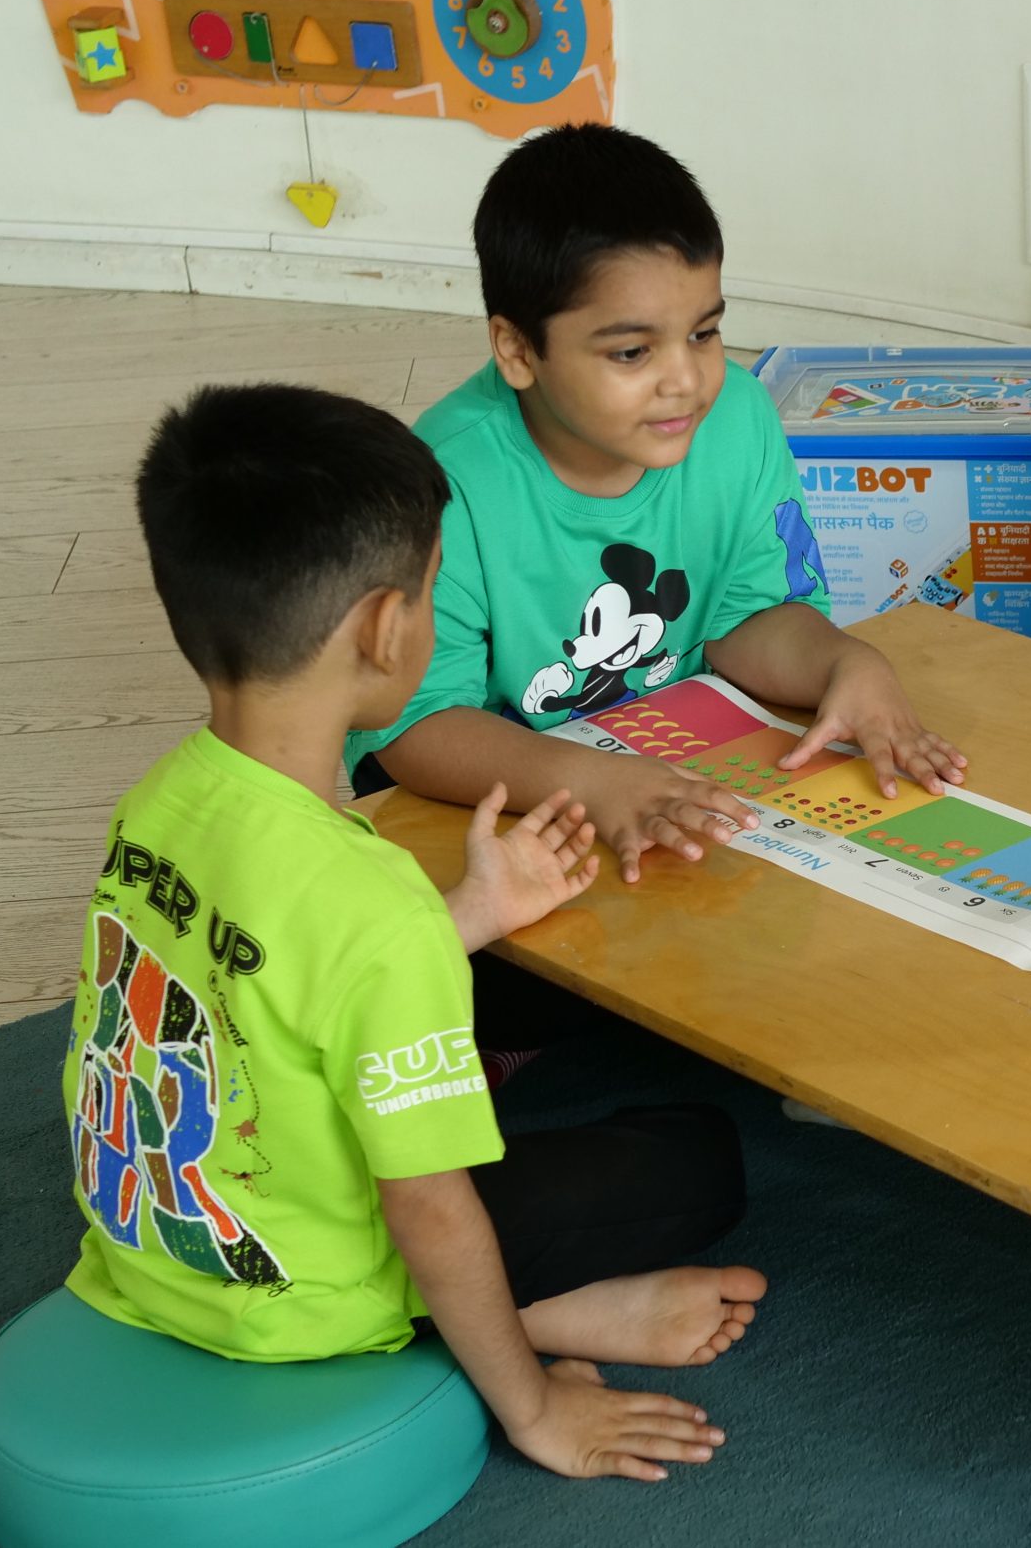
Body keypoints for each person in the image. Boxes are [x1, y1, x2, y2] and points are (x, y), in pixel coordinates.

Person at [72, 382, 763, 1482]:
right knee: (698, 1161)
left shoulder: (157, 802)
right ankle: (547, 1325)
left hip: (151, 1253)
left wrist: (474, 914)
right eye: (435, 590)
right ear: (386, 628)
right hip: (308, 1292)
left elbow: (274, 982)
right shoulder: (373, 903)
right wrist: (536, 1414)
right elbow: (428, 1211)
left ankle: (539, 1310)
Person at [347, 125, 964, 885]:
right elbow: (411, 725)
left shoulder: (735, 416)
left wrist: (848, 662)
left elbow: (745, 620)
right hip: (489, 813)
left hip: (660, 772)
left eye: (704, 331)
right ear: (516, 351)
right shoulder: (443, 479)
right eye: (632, 352)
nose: (687, 380)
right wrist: (595, 783)